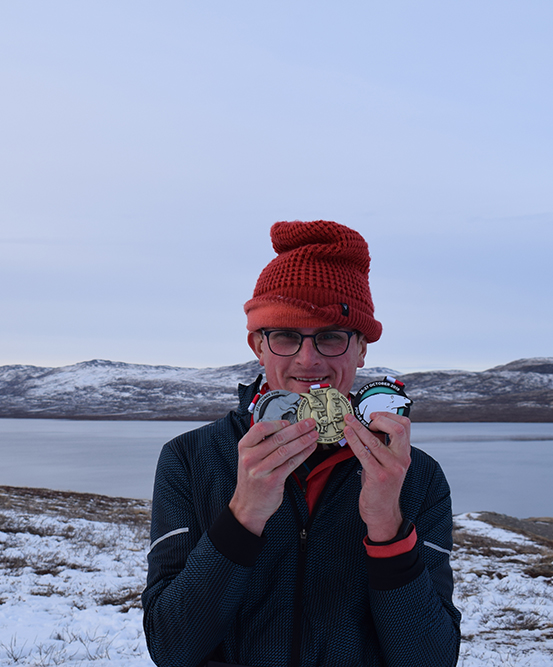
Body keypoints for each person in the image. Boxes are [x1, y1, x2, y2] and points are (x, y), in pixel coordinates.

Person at [142, 220, 461, 667]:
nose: (308, 360)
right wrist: (244, 514)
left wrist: (387, 523)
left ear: (361, 349)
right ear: (258, 345)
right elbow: (172, 648)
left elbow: (431, 660)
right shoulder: (191, 460)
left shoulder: (416, 476)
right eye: (286, 336)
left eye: (331, 336)